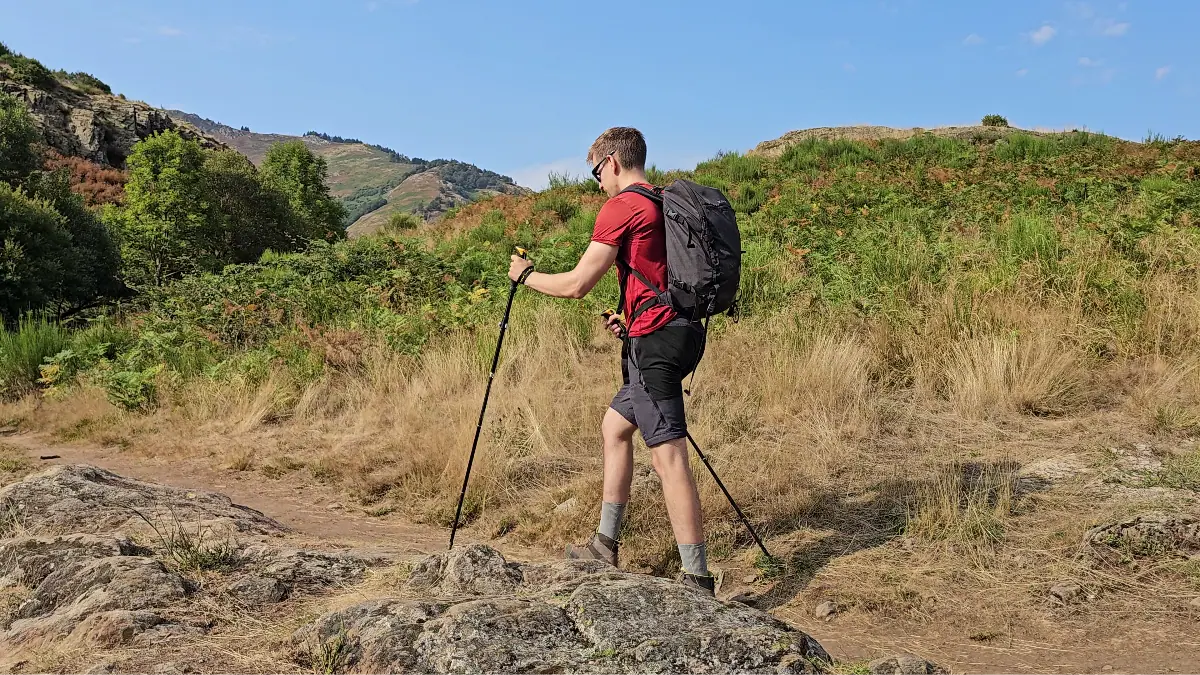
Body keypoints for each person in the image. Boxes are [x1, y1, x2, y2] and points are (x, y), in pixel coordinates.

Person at [507, 127, 714, 594]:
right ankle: (605, 543)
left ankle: (697, 578)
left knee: (668, 456)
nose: (597, 182)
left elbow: (578, 284)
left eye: (596, 172)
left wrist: (526, 276)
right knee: (615, 427)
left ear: (614, 163)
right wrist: (631, 318)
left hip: (657, 343)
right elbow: (661, 276)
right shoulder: (665, 202)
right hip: (676, 332)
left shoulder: (622, 206)